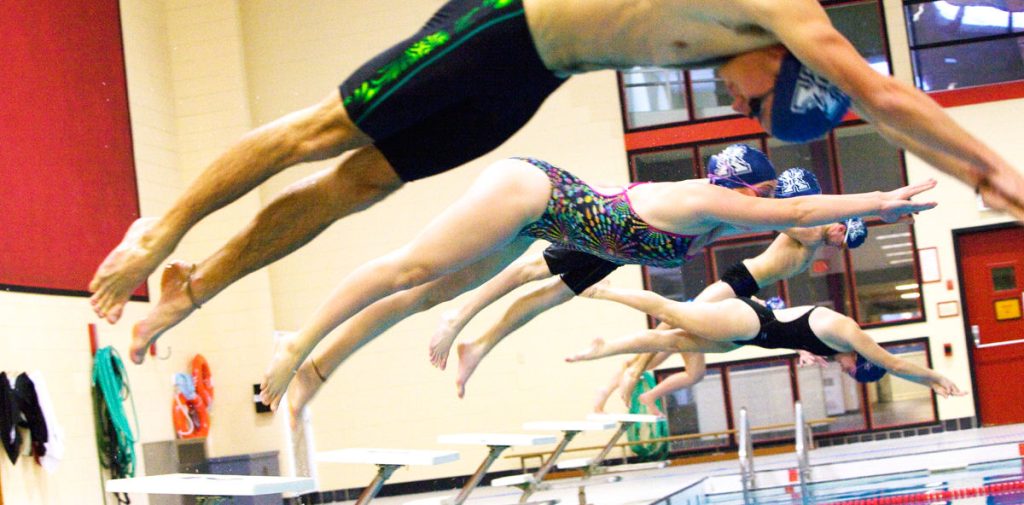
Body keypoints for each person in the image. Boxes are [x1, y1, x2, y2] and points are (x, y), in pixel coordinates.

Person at [89, 0, 1024, 330]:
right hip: (500, 25)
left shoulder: (772, 48)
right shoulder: (790, 16)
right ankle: (162, 229)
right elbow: (882, 94)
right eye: (750, 102)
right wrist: (992, 173)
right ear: (783, 68)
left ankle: (197, 285)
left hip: (525, 80)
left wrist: (959, 172)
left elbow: (866, 101)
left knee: (357, 185)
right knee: (320, 134)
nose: (733, 103)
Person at [255, 151, 937, 410]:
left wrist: (844, 222)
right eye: (756, 196)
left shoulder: (719, 224)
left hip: (550, 224)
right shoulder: (708, 200)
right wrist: (879, 202)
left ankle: (321, 365)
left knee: (431, 294)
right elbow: (797, 210)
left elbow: (800, 221)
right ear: (747, 188)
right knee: (412, 269)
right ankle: (298, 346)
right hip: (535, 193)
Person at [565, 282, 966, 407]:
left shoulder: (832, 345)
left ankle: (606, 349)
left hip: (751, 339)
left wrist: (804, 351)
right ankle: (603, 291)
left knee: (670, 339)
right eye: (852, 370)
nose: (845, 370)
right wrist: (935, 377)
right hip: (751, 319)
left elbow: (800, 335)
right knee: (673, 314)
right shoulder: (847, 332)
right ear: (860, 361)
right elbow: (893, 362)